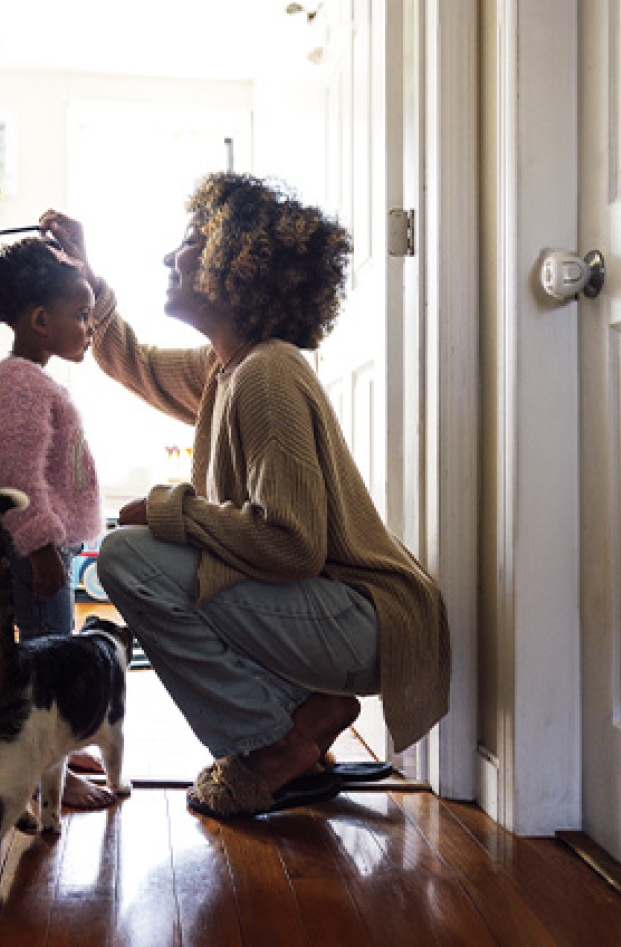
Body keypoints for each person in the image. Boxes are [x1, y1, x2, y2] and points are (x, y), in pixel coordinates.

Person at [39, 172, 451, 819]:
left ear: (237, 264)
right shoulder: (227, 368)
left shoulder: (267, 374)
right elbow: (133, 360)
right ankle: (306, 714)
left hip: (365, 622)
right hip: (341, 618)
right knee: (154, 561)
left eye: (188, 243)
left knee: (126, 556)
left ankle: (276, 744)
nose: (169, 257)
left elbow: (291, 544)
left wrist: (172, 511)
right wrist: (88, 276)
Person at [0, 236, 114, 810]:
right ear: (39, 320)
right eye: (82, 316)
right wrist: (38, 547)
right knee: (45, 667)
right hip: (35, 548)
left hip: (51, 546)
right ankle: (38, 776)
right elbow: (15, 473)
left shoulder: (32, 378)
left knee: (53, 658)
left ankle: (56, 754)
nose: (90, 327)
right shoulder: (19, 384)